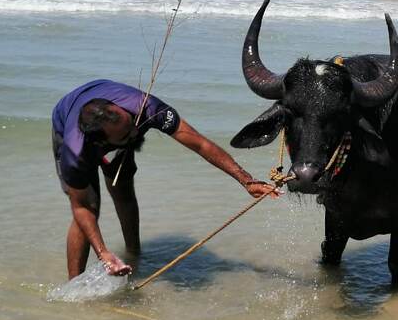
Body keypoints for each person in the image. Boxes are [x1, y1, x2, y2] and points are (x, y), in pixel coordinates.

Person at [52, 79, 276, 278]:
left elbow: (200, 143)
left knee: (123, 190)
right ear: (102, 143)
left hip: (112, 129)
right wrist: (103, 254)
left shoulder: (144, 109)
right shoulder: (75, 151)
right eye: (127, 135)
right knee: (90, 206)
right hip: (67, 124)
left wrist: (246, 180)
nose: (136, 134)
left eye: (132, 125)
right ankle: (74, 284)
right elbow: (81, 208)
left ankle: (134, 257)